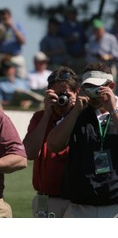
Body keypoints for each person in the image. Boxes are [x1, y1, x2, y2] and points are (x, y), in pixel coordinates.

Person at [47, 62, 118, 217]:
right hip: (80, 206)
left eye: (97, 88)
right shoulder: (78, 112)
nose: (93, 94)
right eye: (88, 88)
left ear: (111, 86)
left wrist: (113, 111)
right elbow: (53, 145)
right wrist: (75, 112)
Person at [23, 67, 79, 218]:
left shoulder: (83, 118)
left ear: (77, 93)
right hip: (47, 199)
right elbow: (29, 153)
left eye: (65, 94)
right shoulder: (40, 117)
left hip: (78, 201)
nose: (62, 99)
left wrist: (75, 111)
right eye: (56, 94)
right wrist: (47, 113)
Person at [0, 7, 27, 79]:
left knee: (21, 78)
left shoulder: (17, 25)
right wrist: (0, 35)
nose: (5, 20)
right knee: (0, 78)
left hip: (16, 56)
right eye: (3, 19)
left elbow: (23, 41)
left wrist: (13, 27)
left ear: (10, 17)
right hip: (2, 57)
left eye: (6, 18)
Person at [58, 5, 87, 75]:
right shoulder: (62, 26)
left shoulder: (79, 26)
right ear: (67, 14)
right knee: (69, 77)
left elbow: (84, 40)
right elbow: (59, 41)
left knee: (80, 77)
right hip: (69, 57)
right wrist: (69, 39)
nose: (73, 15)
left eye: (74, 13)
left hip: (80, 57)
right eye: (71, 13)